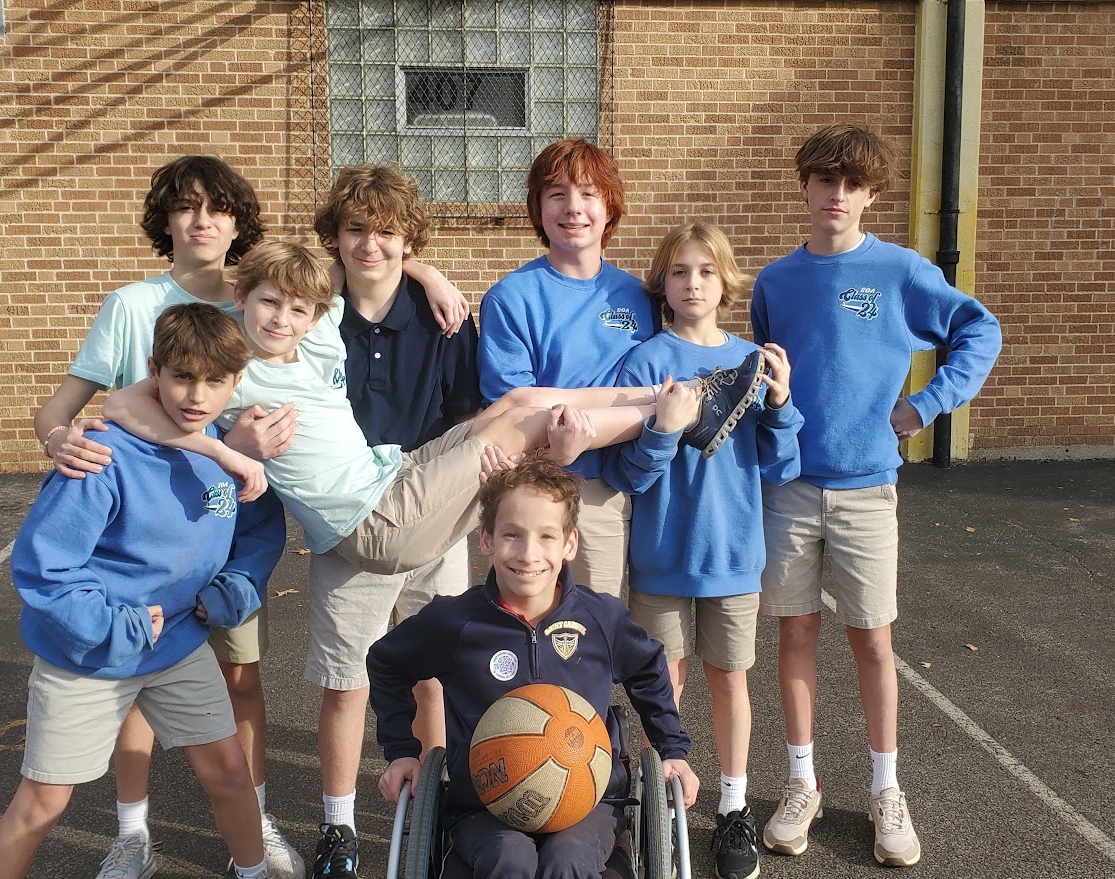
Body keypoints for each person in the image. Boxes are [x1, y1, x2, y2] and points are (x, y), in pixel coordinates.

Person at [31, 155, 470, 879]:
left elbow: (358, 256)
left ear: (239, 223)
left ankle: (255, 822)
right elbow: (76, 405)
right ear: (164, 219)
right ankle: (132, 830)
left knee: (241, 676)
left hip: (231, 523)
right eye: (185, 207)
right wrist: (59, 438)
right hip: (147, 519)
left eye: (218, 208)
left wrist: (424, 270)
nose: (202, 221)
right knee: (129, 671)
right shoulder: (135, 305)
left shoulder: (272, 300)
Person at [101, 238, 759, 583]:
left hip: (390, 475)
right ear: (241, 295)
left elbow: (363, 255)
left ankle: (673, 395)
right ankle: (691, 408)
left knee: (520, 401)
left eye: (295, 306)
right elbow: (126, 399)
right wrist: (225, 449)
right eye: (267, 303)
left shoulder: (317, 330)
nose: (282, 318)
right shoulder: (228, 360)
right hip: (372, 522)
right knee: (529, 427)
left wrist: (424, 271)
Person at [751, 124, 1001, 868]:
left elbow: (977, 330)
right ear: (803, 185)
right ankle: (802, 782)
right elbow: (770, 383)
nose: (836, 194)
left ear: (869, 195)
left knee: (872, 640)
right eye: (824, 180)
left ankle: (886, 789)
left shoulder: (898, 272)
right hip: (791, 488)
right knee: (793, 635)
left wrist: (923, 406)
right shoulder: (774, 281)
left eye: (852, 184)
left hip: (866, 490)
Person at [0, 303, 288, 879]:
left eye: (215, 380)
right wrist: (114, 626)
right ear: (154, 371)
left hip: (177, 641)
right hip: (88, 652)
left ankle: (253, 871)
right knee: (43, 803)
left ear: (236, 382)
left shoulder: (228, 456)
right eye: (181, 377)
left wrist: (231, 593)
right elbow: (43, 567)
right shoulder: (102, 456)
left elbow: (256, 540)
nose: (197, 395)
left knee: (227, 771)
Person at [366, 451, 701, 879]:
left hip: (589, 799)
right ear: (485, 539)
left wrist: (672, 748)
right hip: (484, 802)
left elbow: (649, 667)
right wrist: (401, 751)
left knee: (568, 862)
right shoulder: (457, 622)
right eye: (511, 535)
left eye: (546, 536)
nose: (528, 554)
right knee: (511, 861)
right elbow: (387, 662)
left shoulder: (600, 619)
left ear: (570, 544)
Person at [603, 222, 803, 879]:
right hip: (661, 556)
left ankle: (733, 806)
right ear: (661, 282)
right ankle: (661, 802)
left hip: (732, 556)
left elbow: (780, 466)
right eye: (681, 271)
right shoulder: (643, 361)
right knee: (665, 685)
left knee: (729, 679)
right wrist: (666, 426)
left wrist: (778, 405)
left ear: (726, 282)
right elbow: (630, 472)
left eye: (706, 272)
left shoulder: (750, 359)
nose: (693, 283)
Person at [303, 164, 483, 878]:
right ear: (334, 238)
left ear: (408, 238)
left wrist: (431, 276)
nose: (370, 245)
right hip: (348, 512)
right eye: (355, 230)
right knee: (346, 680)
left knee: (434, 674)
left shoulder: (441, 318)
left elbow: (467, 417)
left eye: (386, 232)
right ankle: (338, 826)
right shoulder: (312, 311)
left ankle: (433, 804)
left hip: (429, 505)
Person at [476, 139, 659, 597]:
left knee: (600, 639)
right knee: (528, 632)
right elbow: (513, 413)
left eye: (588, 193)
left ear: (610, 207)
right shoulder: (512, 297)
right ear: (538, 208)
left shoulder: (641, 298)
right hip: (538, 492)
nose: (573, 208)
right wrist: (561, 449)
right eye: (557, 193)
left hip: (620, 489)